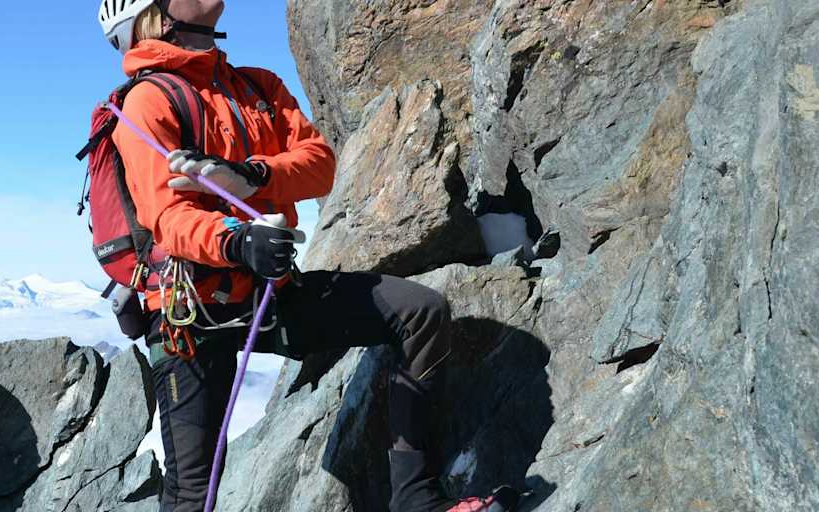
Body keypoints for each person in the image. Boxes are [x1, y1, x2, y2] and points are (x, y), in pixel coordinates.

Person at [97, 1, 518, 511]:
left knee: (420, 313)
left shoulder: (256, 87)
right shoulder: (148, 103)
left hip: (267, 293)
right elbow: (168, 216)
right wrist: (236, 240)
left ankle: (417, 503)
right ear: (159, 16)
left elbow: (320, 165)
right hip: (189, 318)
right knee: (192, 493)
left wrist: (251, 175)